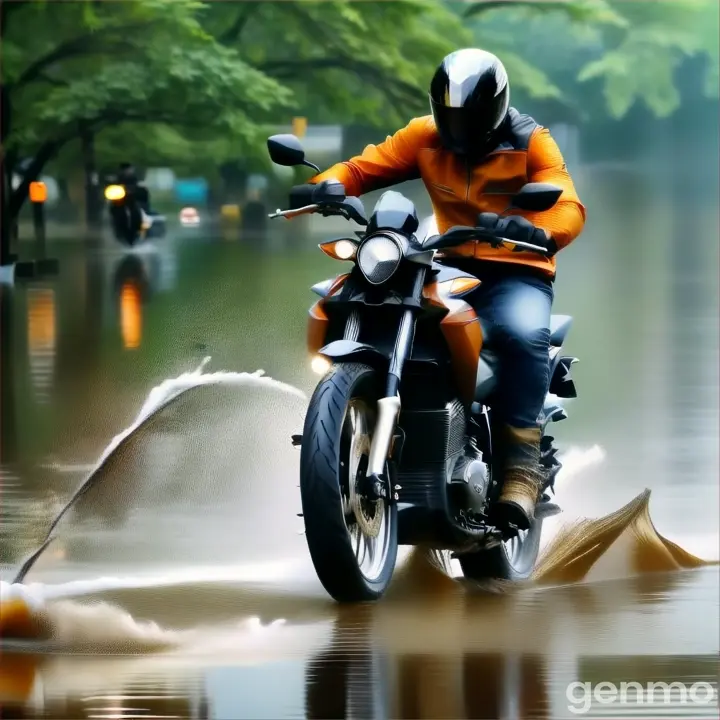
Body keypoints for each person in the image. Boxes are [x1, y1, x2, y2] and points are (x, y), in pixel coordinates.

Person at [291, 48, 586, 530]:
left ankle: (520, 469)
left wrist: (541, 231)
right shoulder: (423, 136)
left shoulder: (532, 141)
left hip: (516, 268)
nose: (459, 129)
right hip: (445, 260)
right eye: (450, 117)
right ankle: (367, 426)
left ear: (495, 107)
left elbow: (567, 203)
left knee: (522, 333)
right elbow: (366, 168)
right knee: (368, 301)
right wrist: (327, 185)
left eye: (469, 118)